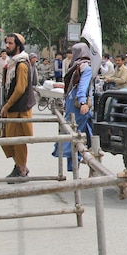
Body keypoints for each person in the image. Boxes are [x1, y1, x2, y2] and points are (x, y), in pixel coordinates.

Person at [0, 33, 37, 182]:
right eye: (6, 43)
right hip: (11, 108)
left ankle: (21, 169)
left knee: (18, 140)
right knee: (6, 139)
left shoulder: (21, 64)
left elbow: (20, 88)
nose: (7, 46)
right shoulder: (12, 63)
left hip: (20, 109)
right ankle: (19, 165)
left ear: (18, 46)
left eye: (10, 43)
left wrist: (7, 106)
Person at [55, 42, 95, 172]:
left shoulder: (74, 66)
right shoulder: (86, 68)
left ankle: (75, 164)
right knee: (78, 135)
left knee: (77, 132)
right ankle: (77, 163)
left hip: (71, 104)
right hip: (80, 106)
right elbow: (82, 87)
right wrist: (83, 102)